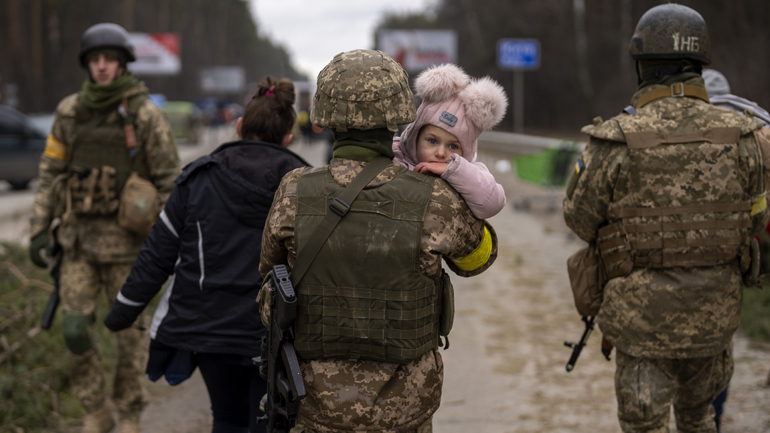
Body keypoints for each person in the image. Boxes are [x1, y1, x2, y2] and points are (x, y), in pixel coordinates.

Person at [258, 49, 498, 433]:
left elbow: (269, 273)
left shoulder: (293, 189)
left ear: (326, 115)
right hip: (404, 413)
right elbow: (478, 260)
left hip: (313, 406)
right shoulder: (436, 198)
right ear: (399, 114)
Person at [563, 4, 770, 433]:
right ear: (700, 63)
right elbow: (754, 223)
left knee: (644, 426)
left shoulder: (615, 139)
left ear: (642, 65)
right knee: (700, 418)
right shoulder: (745, 136)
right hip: (715, 322)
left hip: (641, 327)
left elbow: (580, 221)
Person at [103, 76, 309, 433]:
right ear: (288, 138)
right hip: (278, 333)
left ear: (239, 127)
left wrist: (122, 311)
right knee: (271, 421)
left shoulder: (196, 180)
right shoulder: (306, 188)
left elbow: (158, 253)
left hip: (211, 334)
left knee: (227, 419)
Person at [27, 23, 180, 433]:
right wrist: (40, 226)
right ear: (87, 64)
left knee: (130, 340)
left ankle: (129, 413)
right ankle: (96, 409)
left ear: (122, 63)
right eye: (95, 60)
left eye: (109, 59)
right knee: (75, 330)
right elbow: (50, 171)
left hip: (129, 250)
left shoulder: (144, 114)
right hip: (77, 242)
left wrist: (163, 236)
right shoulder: (69, 112)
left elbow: (170, 181)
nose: (101, 67)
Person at [393, 63, 507, 220]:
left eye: (453, 146)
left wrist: (454, 170)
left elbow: (493, 203)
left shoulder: (470, 173)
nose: (441, 153)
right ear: (414, 136)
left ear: (466, 152)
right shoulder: (394, 154)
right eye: (432, 141)